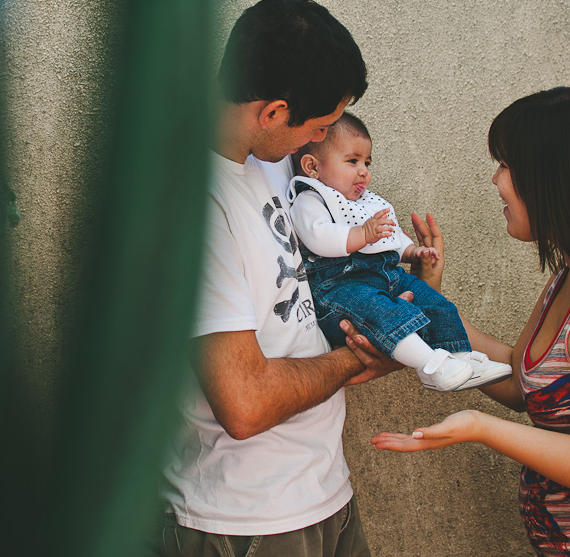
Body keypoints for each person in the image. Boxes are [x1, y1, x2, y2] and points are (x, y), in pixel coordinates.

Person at [156, 1, 416, 555]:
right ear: (273, 113)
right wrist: (360, 357)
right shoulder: (192, 203)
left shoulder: (271, 159)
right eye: (317, 130)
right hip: (243, 517)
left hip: (324, 490)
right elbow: (244, 403)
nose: (316, 149)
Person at [370, 87, 570, 556]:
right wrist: (433, 303)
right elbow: (522, 379)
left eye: (505, 164)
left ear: (552, 177)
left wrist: (481, 426)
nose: (495, 179)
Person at [288, 112, 512, 392]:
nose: (364, 171)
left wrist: (412, 252)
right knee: (386, 314)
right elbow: (319, 237)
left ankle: (460, 356)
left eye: (367, 163)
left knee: (435, 301)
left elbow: (392, 235)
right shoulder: (311, 199)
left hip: (387, 276)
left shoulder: (365, 203)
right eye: (352, 161)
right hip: (341, 288)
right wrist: (362, 234)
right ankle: (429, 364)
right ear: (312, 167)